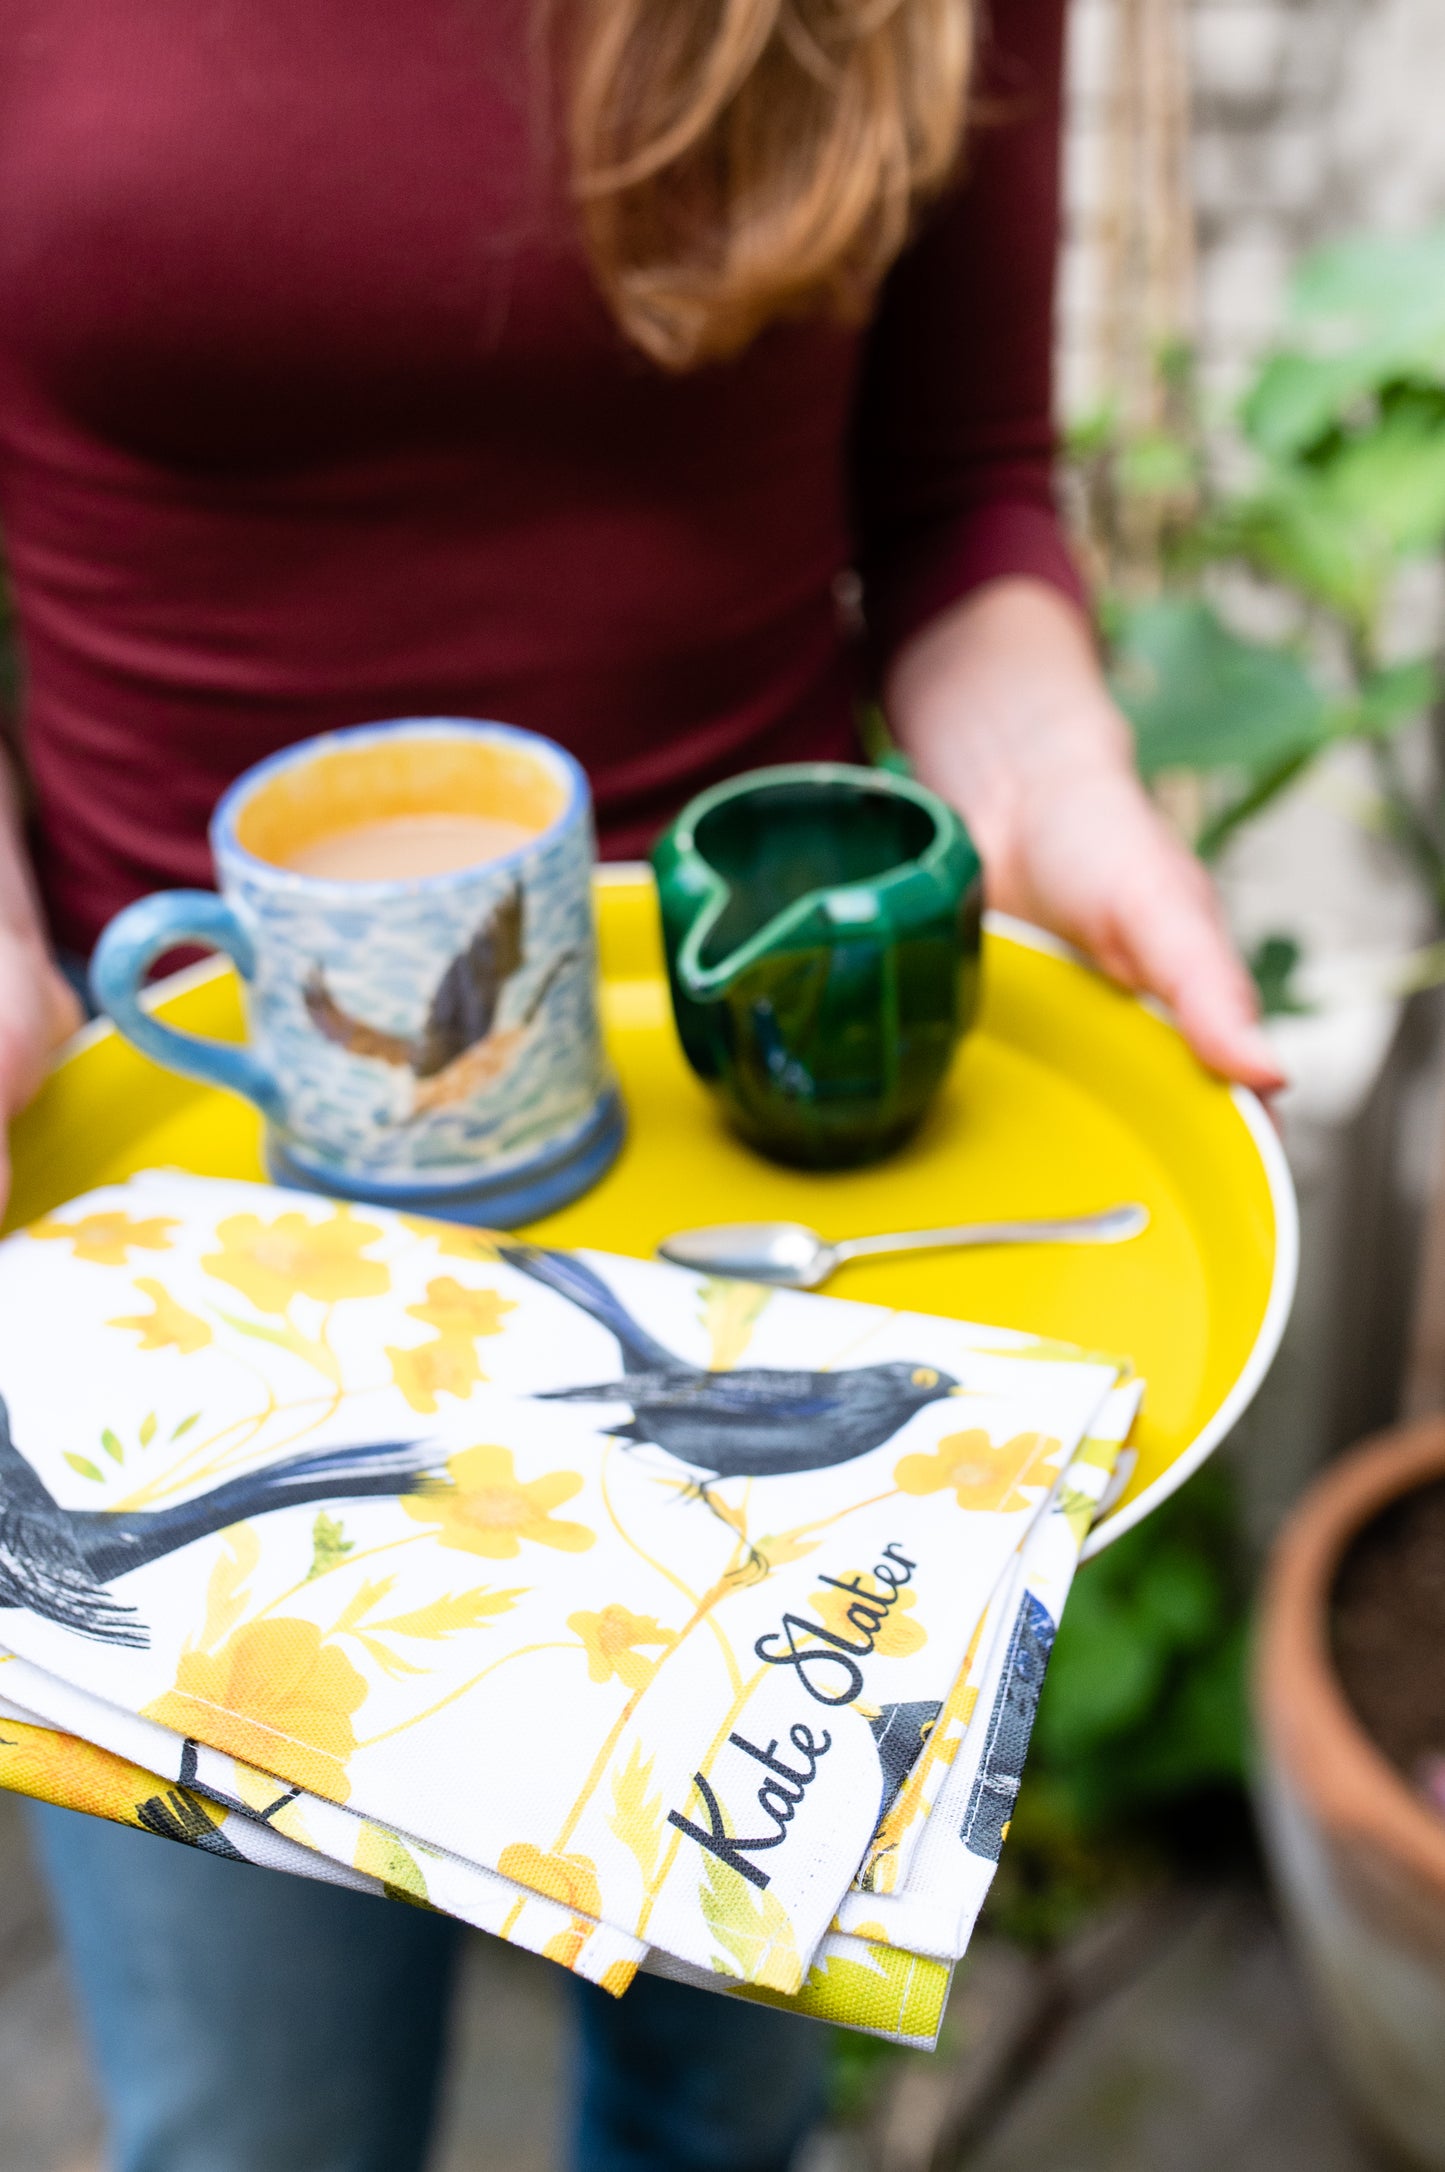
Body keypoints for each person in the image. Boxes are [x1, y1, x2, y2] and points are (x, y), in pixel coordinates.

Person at [0, 1, 1282, 2168]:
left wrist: (1068, 796)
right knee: (261, 2128)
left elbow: (961, 500)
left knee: (729, 2094)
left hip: (765, 1218)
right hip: (179, 1255)